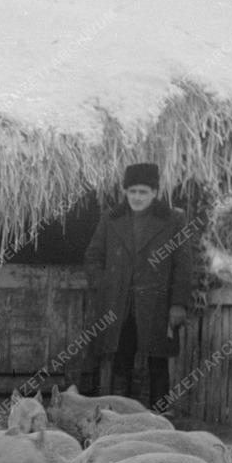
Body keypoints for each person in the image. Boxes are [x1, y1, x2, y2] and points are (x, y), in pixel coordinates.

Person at [83, 162, 193, 412]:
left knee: (157, 363)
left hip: (157, 306)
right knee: (120, 362)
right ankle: (116, 420)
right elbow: (92, 257)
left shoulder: (173, 220)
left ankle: (159, 421)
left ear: (155, 193)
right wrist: (105, 285)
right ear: (125, 192)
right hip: (120, 306)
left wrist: (178, 304)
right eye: (132, 191)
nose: (137, 197)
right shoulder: (111, 219)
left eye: (143, 192)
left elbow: (183, 265)